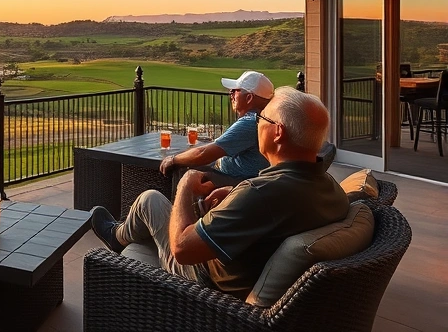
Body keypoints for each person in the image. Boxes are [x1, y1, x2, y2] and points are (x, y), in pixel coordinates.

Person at [91, 87, 350, 300]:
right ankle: (124, 234)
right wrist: (235, 194)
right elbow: (273, 211)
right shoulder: (330, 187)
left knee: (150, 199)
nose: (257, 124)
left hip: (203, 278)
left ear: (278, 132)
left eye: (262, 119)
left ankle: (118, 236)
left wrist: (185, 183)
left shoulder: (260, 194)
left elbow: (182, 250)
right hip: (245, 257)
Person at [160, 70, 274, 185]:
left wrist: (173, 159)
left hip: (237, 181)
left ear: (249, 98)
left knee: (186, 170)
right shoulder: (266, 118)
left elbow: (203, 154)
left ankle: (175, 202)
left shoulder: (250, 122)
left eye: (235, 91)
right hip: (244, 177)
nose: (231, 94)